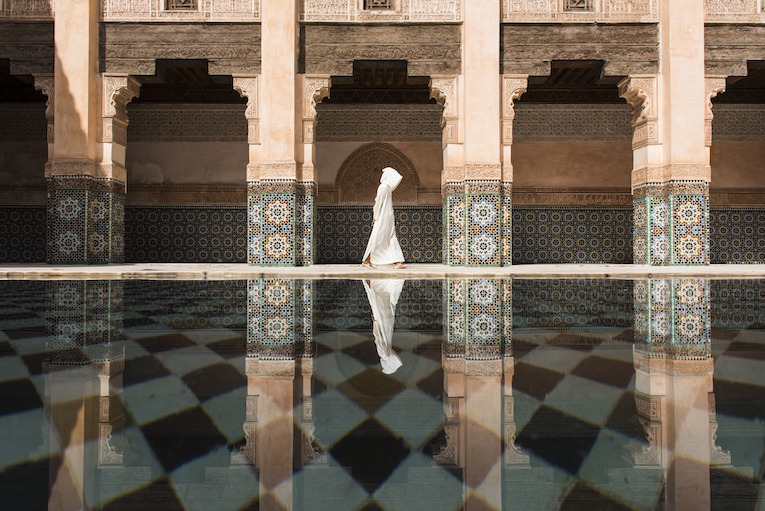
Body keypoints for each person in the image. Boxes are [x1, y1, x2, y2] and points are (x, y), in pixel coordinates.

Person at [362, 166, 408, 269]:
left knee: (391, 237)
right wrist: (375, 217)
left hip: (388, 217)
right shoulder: (383, 187)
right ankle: (366, 261)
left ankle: (396, 262)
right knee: (377, 238)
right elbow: (378, 203)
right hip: (382, 217)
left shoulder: (387, 188)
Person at [363, 279, 404, 375]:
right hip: (384, 324)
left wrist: (376, 322)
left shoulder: (384, 354)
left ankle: (372, 283)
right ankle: (374, 283)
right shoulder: (386, 352)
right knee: (384, 303)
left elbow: (378, 335)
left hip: (382, 323)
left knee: (380, 303)